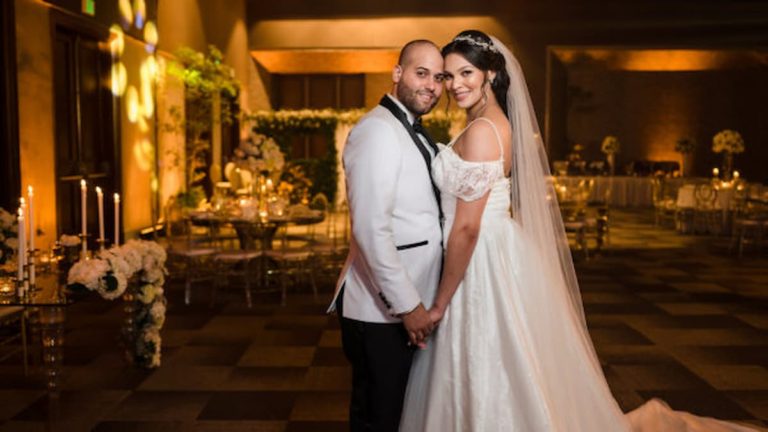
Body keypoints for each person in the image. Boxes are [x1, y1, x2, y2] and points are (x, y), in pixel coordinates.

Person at [399, 30, 759, 432]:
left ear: (490, 73)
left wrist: (439, 305)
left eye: (465, 72)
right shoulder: (488, 121)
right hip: (494, 250)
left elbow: (466, 228)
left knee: (485, 360)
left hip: (479, 258)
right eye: (448, 76)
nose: (455, 84)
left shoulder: (484, 131)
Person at [327, 39, 445, 432]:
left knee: (395, 415)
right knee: (379, 418)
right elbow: (370, 229)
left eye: (438, 77)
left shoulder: (408, 129)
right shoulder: (376, 131)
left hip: (405, 302)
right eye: (421, 73)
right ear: (397, 74)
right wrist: (408, 305)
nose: (431, 85)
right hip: (381, 310)